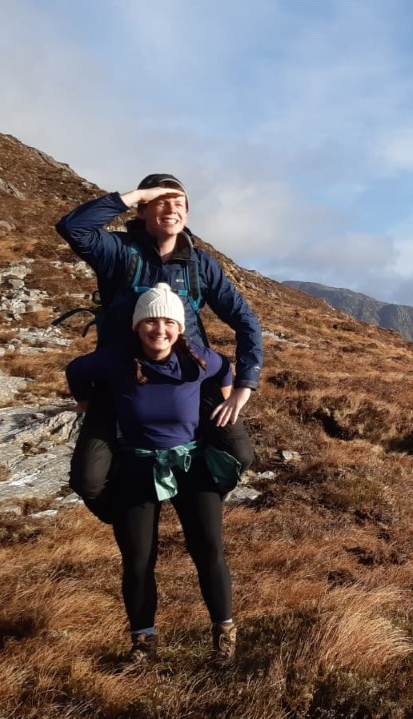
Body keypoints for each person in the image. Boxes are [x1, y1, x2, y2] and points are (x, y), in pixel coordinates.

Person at [56, 174, 262, 520]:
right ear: (142, 211)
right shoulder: (118, 252)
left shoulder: (202, 265)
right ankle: (128, 512)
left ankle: (198, 496)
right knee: (87, 479)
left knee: (240, 454)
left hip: (190, 378)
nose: (171, 208)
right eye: (161, 202)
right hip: (122, 377)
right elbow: (73, 227)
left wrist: (245, 385)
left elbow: (246, 322)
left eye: (179, 203)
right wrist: (137, 194)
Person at [66, 284, 241, 665]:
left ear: (179, 328)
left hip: (190, 466)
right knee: (139, 559)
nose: (158, 329)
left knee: (208, 549)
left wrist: (229, 403)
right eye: (149, 321)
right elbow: (76, 370)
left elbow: (226, 366)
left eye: (167, 322)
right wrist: (88, 406)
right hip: (136, 467)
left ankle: (224, 638)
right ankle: (143, 644)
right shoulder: (115, 360)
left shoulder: (197, 360)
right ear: (136, 326)